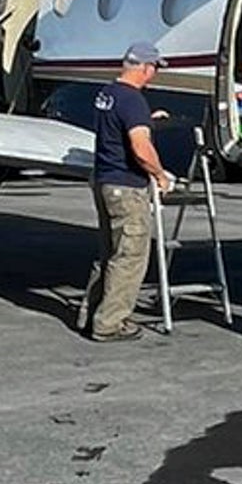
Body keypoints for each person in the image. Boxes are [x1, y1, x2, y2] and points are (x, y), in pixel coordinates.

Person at [81, 42, 173, 341]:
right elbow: (140, 148)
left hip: (104, 181)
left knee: (108, 253)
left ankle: (90, 313)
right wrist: (160, 175)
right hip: (126, 187)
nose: (155, 74)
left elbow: (118, 130)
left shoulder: (107, 94)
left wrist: (147, 121)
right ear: (145, 67)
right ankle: (110, 323)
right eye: (155, 68)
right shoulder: (133, 100)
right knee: (131, 256)